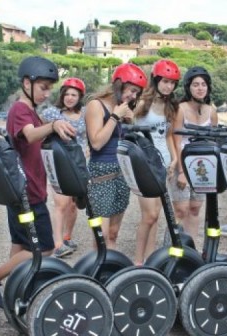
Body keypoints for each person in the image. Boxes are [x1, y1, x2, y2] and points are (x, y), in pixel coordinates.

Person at [0, 56, 75, 305]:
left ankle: (12, 291)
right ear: (26, 84)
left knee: (20, 244)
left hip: (25, 192)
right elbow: (29, 136)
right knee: (45, 248)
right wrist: (53, 125)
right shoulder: (21, 110)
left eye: (49, 88)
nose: (47, 93)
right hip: (27, 194)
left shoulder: (30, 111)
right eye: (43, 87)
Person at [85, 63, 147, 249]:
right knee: (101, 235)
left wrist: (129, 121)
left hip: (122, 173)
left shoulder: (122, 107)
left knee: (113, 233)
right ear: (119, 84)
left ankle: (110, 274)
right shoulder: (96, 105)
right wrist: (114, 117)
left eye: (137, 93)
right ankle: (96, 274)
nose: (133, 96)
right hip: (102, 173)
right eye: (132, 90)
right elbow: (96, 143)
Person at [132, 59, 180, 265]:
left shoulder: (171, 106)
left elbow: (168, 136)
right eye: (165, 81)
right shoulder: (143, 102)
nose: (168, 86)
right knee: (149, 215)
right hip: (145, 162)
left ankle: (151, 259)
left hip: (164, 163)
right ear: (156, 80)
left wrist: (175, 160)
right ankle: (137, 261)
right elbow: (127, 128)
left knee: (157, 215)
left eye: (172, 83)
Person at [41, 77, 87, 258]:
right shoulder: (52, 113)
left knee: (74, 205)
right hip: (60, 162)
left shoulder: (84, 113)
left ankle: (67, 236)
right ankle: (57, 243)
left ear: (80, 96)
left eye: (74, 94)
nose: (69, 98)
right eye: (67, 94)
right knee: (61, 204)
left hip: (80, 163)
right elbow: (40, 129)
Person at [171, 66, 218, 243]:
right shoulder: (180, 109)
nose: (200, 88)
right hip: (183, 163)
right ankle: (173, 246)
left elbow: (214, 140)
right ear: (188, 87)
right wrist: (181, 171)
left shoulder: (211, 111)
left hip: (203, 164)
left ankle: (191, 247)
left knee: (195, 208)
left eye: (203, 84)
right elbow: (176, 140)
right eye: (196, 84)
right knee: (181, 209)